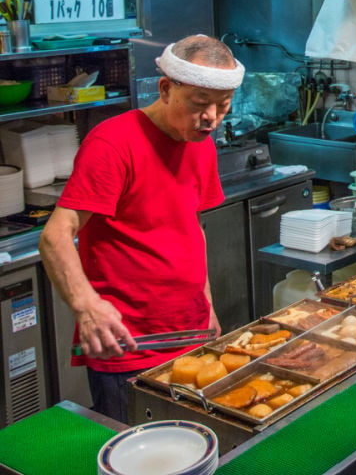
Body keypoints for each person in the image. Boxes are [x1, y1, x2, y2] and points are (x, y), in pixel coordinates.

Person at [38, 34, 245, 423]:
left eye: (223, 106)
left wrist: (207, 304)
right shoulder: (113, 143)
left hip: (189, 334)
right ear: (166, 89)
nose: (211, 119)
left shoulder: (201, 143)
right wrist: (87, 305)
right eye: (200, 104)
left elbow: (190, 228)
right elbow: (55, 235)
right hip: (130, 345)